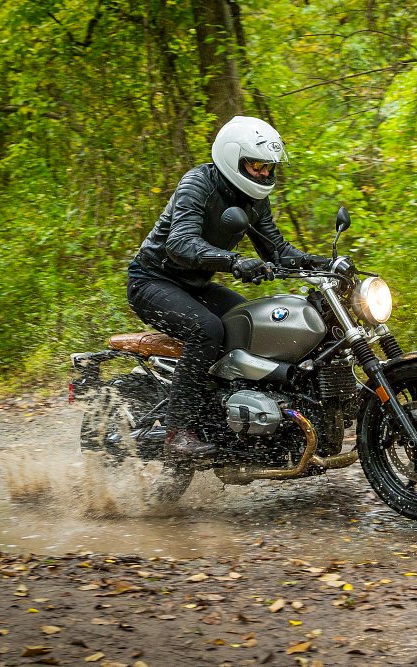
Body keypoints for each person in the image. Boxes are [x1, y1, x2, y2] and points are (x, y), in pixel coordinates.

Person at [127, 116, 329, 459]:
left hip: (195, 284)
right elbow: (180, 243)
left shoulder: (254, 199)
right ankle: (178, 431)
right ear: (232, 158)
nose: (265, 173)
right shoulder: (197, 184)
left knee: (248, 325)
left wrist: (326, 263)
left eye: (270, 167)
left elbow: (277, 250)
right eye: (258, 165)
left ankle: (230, 419)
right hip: (152, 281)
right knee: (208, 329)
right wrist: (233, 262)